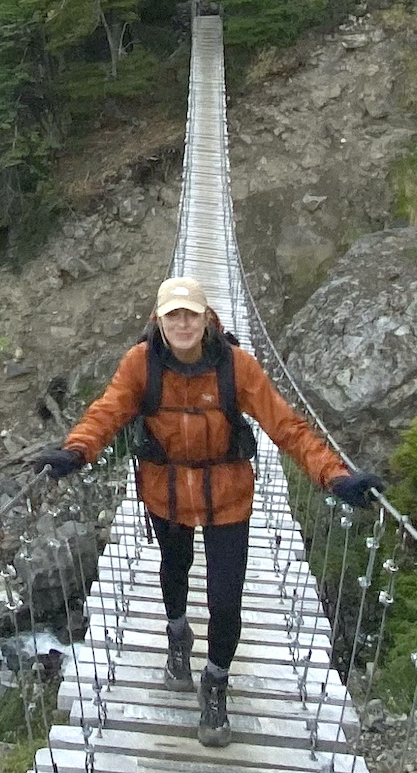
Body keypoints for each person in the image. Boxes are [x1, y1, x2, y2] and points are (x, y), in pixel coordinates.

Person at [30, 276, 383, 748]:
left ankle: (215, 682)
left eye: (190, 314)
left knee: (226, 598)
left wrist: (334, 477)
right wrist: (76, 451)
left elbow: (287, 427)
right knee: (174, 569)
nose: (182, 323)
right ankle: (178, 633)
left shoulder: (237, 367)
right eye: (172, 314)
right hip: (167, 492)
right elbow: (107, 412)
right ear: (158, 319)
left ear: (206, 318)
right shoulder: (142, 364)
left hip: (226, 495)